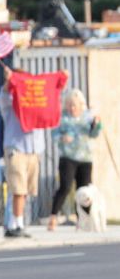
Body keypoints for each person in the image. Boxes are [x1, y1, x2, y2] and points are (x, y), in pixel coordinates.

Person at [0, 67, 47, 238]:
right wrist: (9, 80)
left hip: (33, 149)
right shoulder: (10, 100)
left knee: (25, 190)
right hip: (17, 148)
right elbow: (5, 94)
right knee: (18, 188)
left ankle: (17, 221)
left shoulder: (36, 100)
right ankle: (15, 224)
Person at [48, 89, 101, 231]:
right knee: (65, 187)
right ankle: (53, 217)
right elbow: (54, 135)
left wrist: (97, 123)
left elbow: (94, 133)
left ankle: (83, 220)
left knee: (84, 191)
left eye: (75, 105)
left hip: (85, 158)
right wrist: (62, 138)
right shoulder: (63, 119)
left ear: (80, 105)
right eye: (70, 105)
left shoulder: (87, 117)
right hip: (68, 158)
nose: (72, 108)